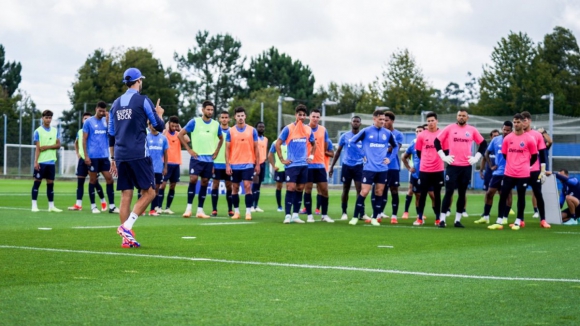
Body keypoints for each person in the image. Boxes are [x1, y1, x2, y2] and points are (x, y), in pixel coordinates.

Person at [109, 67, 165, 248]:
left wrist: (112, 158)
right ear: (138, 81)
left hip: (120, 155)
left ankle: (126, 240)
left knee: (126, 195)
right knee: (150, 192)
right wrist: (159, 114)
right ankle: (127, 227)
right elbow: (158, 126)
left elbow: (111, 133)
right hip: (139, 154)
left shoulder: (115, 104)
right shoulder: (143, 100)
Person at [435, 109, 487, 228]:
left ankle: (457, 220)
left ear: (467, 118)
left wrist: (477, 157)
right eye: (459, 115)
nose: (461, 117)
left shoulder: (472, 130)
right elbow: (437, 141)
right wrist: (443, 156)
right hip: (452, 166)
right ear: (456, 117)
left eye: (463, 116)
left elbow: (483, 144)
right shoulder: (450, 128)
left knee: (462, 193)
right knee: (448, 192)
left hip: (466, 166)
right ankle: (442, 220)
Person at [488, 113, 537, 230]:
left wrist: (525, 165)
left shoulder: (529, 139)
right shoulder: (508, 138)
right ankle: (499, 221)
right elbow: (505, 154)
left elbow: (534, 156)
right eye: (514, 122)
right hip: (509, 172)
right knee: (503, 195)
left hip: (523, 173)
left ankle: (518, 221)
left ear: (522, 123)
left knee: (521, 196)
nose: (516, 124)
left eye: (518, 122)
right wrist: (512, 163)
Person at [348, 110, 397, 226]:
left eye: (384, 120)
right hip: (369, 168)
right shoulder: (366, 131)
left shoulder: (388, 133)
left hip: (382, 168)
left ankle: (375, 217)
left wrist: (390, 158)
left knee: (379, 192)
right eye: (380, 119)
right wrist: (362, 154)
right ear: (374, 119)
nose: (383, 122)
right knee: (364, 191)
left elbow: (395, 146)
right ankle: (355, 216)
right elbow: (351, 142)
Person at [178, 101, 224, 218]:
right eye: (208, 109)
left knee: (204, 182)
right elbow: (180, 134)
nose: (210, 112)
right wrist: (188, 149)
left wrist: (217, 151)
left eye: (211, 110)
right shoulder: (195, 122)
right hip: (196, 158)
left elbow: (221, 138)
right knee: (193, 179)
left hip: (209, 159)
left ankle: (200, 210)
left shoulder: (215, 124)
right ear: (203, 110)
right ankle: (188, 208)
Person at [275, 104, 316, 224]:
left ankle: (295, 215)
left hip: (303, 164)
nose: (302, 117)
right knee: (291, 187)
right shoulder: (288, 128)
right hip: (291, 165)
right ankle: (287, 215)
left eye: (304, 115)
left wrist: (311, 156)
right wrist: (282, 159)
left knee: (300, 188)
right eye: (300, 114)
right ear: (296, 115)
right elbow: (278, 144)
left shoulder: (308, 129)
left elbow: (314, 144)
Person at [83, 101, 119, 214]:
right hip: (93, 156)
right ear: (96, 109)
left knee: (110, 179)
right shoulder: (88, 122)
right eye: (100, 110)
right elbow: (84, 140)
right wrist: (86, 156)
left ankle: (112, 206)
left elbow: (111, 135)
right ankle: (93, 206)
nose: (102, 113)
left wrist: (109, 122)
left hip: (104, 156)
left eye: (104, 111)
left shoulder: (106, 121)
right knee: (93, 180)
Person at [475, 121, 513, 225]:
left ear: (511, 131)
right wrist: (491, 165)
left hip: (509, 172)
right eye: (504, 130)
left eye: (508, 130)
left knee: (507, 195)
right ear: (502, 129)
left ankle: (505, 217)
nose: (505, 132)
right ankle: (486, 216)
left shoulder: (514, 140)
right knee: (489, 193)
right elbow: (486, 152)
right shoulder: (496, 140)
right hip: (498, 172)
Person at [68, 112, 107, 213]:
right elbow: (76, 143)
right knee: (80, 182)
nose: (86, 120)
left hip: (92, 159)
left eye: (88, 119)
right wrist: (77, 153)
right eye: (85, 118)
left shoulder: (94, 130)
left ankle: (103, 201)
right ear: (82, 120)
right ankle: (78, 204)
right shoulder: (80, 132)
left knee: (95, 182)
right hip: (82, 160)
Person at [225, 107, 260, 220]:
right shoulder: (230, 131)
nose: (240, 118)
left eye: (242, 115)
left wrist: (257, 164)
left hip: (248, 163)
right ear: (235, 117)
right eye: (238, 116)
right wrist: (227, 164)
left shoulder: (252, 130)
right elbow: (227, 149)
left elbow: (256, 148)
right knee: (235, 188)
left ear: (245, 116)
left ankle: (248, 212)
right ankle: (237, 212)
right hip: (234, 164)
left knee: (247, 186)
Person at [330, 116, 365, 221]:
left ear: (360, 124)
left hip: (359, 166)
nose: (355, 123)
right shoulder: (345, 136)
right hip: (347, 166)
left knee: (360, 189)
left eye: (357, 121)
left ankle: (360, 213)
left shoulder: (363, 136)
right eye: (354, 121)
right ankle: (344, 212)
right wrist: (331, 166)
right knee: (346, 189)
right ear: (351, 123)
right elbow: (338, 152)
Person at [413, 112, 445, 226]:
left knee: (437, 194)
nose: (430, 123)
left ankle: (438, 219)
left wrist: (438, 160)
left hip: (438, 169)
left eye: (432, 120)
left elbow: (445, 151)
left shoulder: (442, 134)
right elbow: (418, 152)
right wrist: (427, 161)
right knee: (423, 194)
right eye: (429, 121)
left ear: (437, 121)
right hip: (425, 169)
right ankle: (420, 218)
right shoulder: (422, 135)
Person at [303, 109, 333, 223]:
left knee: (324, 190)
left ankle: (324, 215)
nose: (315, 119)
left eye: (317, 117)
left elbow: (325, 147)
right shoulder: (305, 129)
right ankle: (309, 215)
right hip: (308, 165)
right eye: (313, 116)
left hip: (320, 164)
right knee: (308, 189)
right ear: (309, 117)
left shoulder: (323, 130)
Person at [521, 111, 550, 228]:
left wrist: (543, 171)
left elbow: (542, 154)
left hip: (534, 170)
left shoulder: (537, 135)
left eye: (525, 120)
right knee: (521, 194)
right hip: (521, 171)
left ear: (529, 121)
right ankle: (520, 220)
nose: (523, 123)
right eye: (521, 121)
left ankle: (543, 220)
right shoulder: (517, 135)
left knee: (538, 194)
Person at [402, 125, 436, 221]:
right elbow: (404, 156)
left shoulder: (431, 142)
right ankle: (417, 215)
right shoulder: (413, 143)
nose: (418, 133)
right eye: (417, 131)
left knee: (433, 195)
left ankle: (438, 217)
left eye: (420, 131)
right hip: (417, 174)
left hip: (430, 173)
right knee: (417, 194)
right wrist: (409, 167)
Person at [31, 110, 62, 213]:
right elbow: (38, 147)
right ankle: (34, 205)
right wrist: (36, 162)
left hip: (51, 162)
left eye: (50, 118)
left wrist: (48, 147)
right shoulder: (38, 131)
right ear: (42, 118)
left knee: (50, 184)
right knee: (37, 183)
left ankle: (51, 206)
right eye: (46, 117)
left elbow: (58, 145)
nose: (48, 119)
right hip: (41, 161)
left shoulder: (54, 130)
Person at [157, 116, 189, 215]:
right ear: (169, 124)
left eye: (176, 125)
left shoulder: (178, 134)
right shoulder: (165, 133)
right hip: (165, 163)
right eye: (172, 125)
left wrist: (181, 129)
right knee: (162, 185)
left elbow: (187, 140)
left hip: (176, 163)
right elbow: (162, 136)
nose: (174, 127)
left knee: (173, 186)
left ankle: (167, 207)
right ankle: (158, 207)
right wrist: (166, 128)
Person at [380, 111, 404, 223]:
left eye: (387, 120)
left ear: (392, 121)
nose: (384, 122)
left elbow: (395, 148)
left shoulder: (398, 134)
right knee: (381, 190)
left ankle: (394, 216)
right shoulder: (379, 133)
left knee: (394, 190)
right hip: (380, 167)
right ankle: (379, 214)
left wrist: (382, 148)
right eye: (383, 120)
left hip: (393, 166)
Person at [210, 111, 233, 217]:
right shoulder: (215, 131)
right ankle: (214, 209)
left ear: (229, 119)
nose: (224, 119)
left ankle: (230, 210)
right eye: (222, 117)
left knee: (229, 186)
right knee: (215, 185)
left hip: (228, 163)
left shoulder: (232, 132)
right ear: (219, 119)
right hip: (216, 163)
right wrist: (212, 163)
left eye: (226, 117)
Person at [146, 121, 168, 216]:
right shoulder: (145, 137)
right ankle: (141, 210)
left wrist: (165, 167)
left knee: (157, 188)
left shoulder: (163, 138)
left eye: (155, 125)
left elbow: (166, 153)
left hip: (159, 167)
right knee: (144, 188)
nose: (153, 126)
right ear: (149, 125)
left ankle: (152, 210)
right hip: (147, 167)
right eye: (152, 124)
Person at [268, 129, 287, 212]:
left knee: (292, 187)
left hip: (290, 169)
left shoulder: (291, 142)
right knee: (279, 187)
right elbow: (270, 155)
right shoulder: (275, 143)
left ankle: (290, 205)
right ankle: (279, 206)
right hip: (280, 169)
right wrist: (273, 166)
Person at [251, 121, 268, 212]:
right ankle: (250, 205)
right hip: (255, 163)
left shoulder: (265, 139)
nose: (261, 128)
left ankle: (256, 205)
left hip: (263, 163)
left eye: (262, 127)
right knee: (255, 183)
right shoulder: (254, 138)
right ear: (256, 128)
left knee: (259, 185)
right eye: (259, 127)